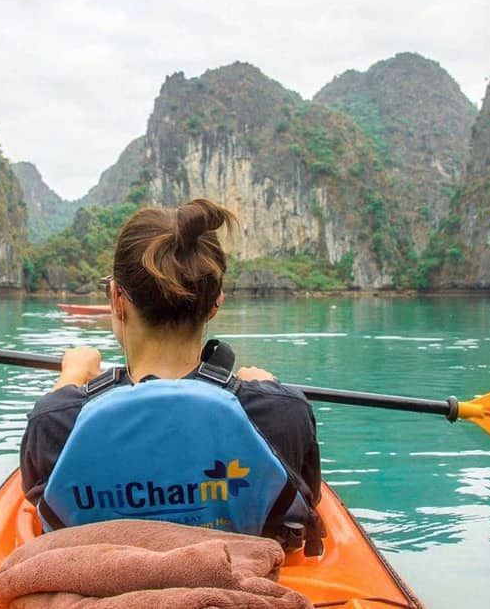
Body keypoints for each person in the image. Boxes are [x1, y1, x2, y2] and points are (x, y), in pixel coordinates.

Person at [20, 198, 323, 554]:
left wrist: (69, 382)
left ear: (117, 297)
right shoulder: (282, 412)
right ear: (216, 303)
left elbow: (40, 489)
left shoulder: (55, 420)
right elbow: (305, 499)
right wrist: (268, 391)